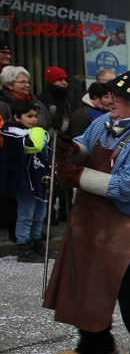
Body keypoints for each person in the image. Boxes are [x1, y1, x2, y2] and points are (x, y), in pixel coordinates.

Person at [44, 70, 130, 354]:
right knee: (86, 281)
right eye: (112, 94)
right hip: (94, 219)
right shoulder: (104, 122)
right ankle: (96, 345)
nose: (112, 100)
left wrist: (78, 176)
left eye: (121, 98)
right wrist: (74, 149)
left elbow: (126, 188)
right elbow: (88, 142)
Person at [0, 103, 50, 262]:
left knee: (39, 215)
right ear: (16, 117)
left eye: (35, 116)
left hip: (39, 179)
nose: (34, 120)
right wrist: (37, 132)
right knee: (26, 215)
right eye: (29, 116)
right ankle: (24, 248)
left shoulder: (34, 132)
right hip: (25, 181)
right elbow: (32, 146)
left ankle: (37, 245)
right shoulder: (11, 133)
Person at [39, 66, 73, 134]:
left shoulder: (69, 102)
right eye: (60, 80)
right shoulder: (41, 101)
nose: (64, 83)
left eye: (66, 80)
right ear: (51, 82)